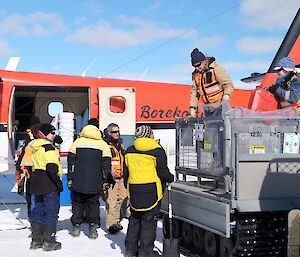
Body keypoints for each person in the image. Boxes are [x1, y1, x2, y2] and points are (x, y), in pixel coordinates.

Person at [124, 125, 174, 257]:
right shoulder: (157, 150)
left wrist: (128, 187)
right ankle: (145, 252)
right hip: (151, 190)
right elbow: (162, 171)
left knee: (134, 219)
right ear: (149, 135)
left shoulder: (129, 151)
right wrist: (170, 178)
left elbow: (126, 173)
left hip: (134, 189)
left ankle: (130, 250)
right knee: (148, 221)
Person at [67, 124, 112, 239]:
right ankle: (93, 228)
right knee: (93, 204)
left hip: (78, 180)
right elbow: (106, 165)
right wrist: (105, 179)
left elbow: (71, 162)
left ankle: (76, 226)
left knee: (77, 203)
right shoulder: (103, 145)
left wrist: (70, 178)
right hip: (95, 181)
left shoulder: (77, 142)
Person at [29, 123, 63, 251]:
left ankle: (36, 240)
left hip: (36, 180)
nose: (54, 135)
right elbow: (51, 167)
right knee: (51, 211)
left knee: (38, 210)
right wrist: (58, 183)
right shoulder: (49, 148)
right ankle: (49, 241)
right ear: (45, 134)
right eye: (52, 133)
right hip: (48, 182)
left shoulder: (35, 147)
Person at [189, 48, 234, 117]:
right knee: (211, 127)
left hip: (220, 106)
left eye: (198, 65)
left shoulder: (216, 69)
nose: (196, 68)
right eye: (194, 66)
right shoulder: (196, 75)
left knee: (223, 127)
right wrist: (192, 108)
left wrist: (226, 96)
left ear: (204, 61)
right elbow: (195, 92)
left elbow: (228, 84)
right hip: (208, 109)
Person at [103, 123, 127, 234]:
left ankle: (116, 220)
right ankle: (111, 223)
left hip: (121, 176)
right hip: (112, 177)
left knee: (122, 198)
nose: (117, 134)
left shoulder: (120, 144)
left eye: (118, 131)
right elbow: (103, 161)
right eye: (114, 132)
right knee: (111, 201)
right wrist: (108, 170)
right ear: (109, 133)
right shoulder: (106, 145)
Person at [15, 120, 40, 219]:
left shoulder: (28, 144)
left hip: (31, 177)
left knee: (31, 200)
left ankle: (32, 217)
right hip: (43, 178)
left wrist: (20, 184)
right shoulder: (47, 145)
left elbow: (20, 164)